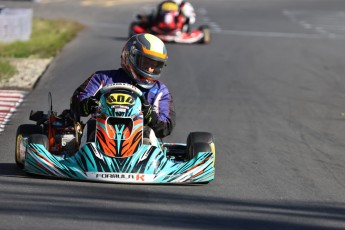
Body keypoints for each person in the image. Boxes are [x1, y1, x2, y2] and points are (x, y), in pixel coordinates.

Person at [70, 33, 176, 142]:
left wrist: (150, 115)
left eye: (154, 65)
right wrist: (89, 104)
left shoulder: (160, 91)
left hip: (141, 144)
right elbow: (78, 100)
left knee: (147, 132)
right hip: (102, 136)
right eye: (146, 63)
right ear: (130, 56)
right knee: (92, 125)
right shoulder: (103, 78)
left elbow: (166, 126)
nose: (149, 69)